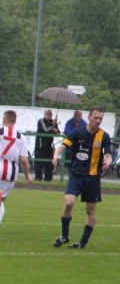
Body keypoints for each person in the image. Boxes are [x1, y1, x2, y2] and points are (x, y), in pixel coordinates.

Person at [52, 107, 112, 249]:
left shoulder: (104, 136)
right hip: (76, 176)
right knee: (68, 203)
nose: (98, 121)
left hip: (93, 178)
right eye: (96, 118)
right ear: (89, 117)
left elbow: (108, 155)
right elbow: (63, 146)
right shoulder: (77, 132)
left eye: (100, 119)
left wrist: (108, 162)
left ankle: (82, 243)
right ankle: (64, 236)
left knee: (90, 209)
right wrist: (56, 155)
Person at [0, 110, 33, 233]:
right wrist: (27, 176)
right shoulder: (21, 137)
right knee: (1, 201)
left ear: (4, 120)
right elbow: (24, 160)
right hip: (12, 174)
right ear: (15, 122)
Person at [33, 109, 59, 181]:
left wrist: (55, 127)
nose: (49, 115)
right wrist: (52, 125)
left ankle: (48, 179)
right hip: (40, 146)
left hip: (49, 146)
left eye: (50, 113)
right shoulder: (41, 121)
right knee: (38, 163)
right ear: (44, 114)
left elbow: (57, 132)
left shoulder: (52, 122)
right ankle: (38, 178)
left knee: (49, 163)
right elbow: (45, 130)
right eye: (48, 113)